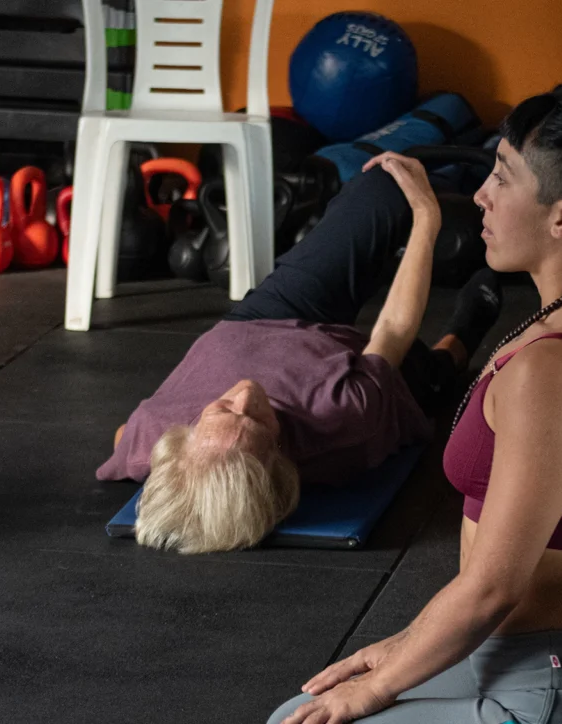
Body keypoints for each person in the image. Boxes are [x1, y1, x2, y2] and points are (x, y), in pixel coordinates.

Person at [268, 85, 562, 724]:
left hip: (552, 689)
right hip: (547, 661)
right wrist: (399, 647)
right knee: (301, 708)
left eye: (503, 177)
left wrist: (375, 690)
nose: (481, 194)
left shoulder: (552, 366)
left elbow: (492, 588)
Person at [97, 155, 503, 554]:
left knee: (383, 186)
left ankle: (471, 161)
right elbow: (394, 329)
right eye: (256, 419)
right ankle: (464, 331)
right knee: (431, 372)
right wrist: (427, 219)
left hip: (261, 322)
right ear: (278, 454)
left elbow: (122, 440)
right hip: (357, 364)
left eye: (222, 408)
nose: (246, 394)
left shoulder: (153, 434)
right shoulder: (343, 416)